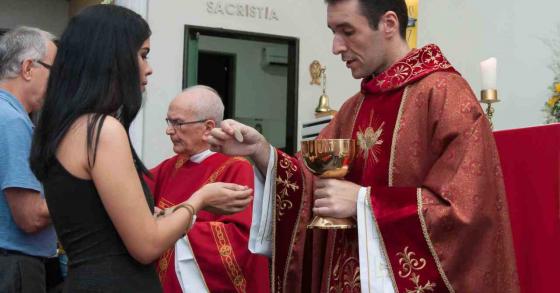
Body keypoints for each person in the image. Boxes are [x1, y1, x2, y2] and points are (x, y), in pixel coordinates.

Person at [207, 0, 520, 292]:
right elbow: (309, 184)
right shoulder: (352, 108)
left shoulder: (444, 95)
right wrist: (261, 151)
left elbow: (468, 213)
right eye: (333, 32)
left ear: (388, 23)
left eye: (347, 31)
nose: (336, 47)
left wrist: (363, 202)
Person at [29, 5, 252, 292]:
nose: (149, 68)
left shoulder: (62, 128)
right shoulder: (101, 130)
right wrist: (199, 200)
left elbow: (98, 224)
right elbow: (146, 246)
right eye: (143, 55)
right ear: (113, 57)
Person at [145, 85, 270, 293]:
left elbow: (242, 243)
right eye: (169, 122)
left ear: (208, 127)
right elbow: (134, 193)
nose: (169, 130)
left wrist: (173, 223)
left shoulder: (236, 169)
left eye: (178, 123)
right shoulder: (171, 166)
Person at [0, 26, 57, 293]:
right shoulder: (12, 121)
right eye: (53, 71)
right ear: (28, 68)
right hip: (13, 267)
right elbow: (30, 217)